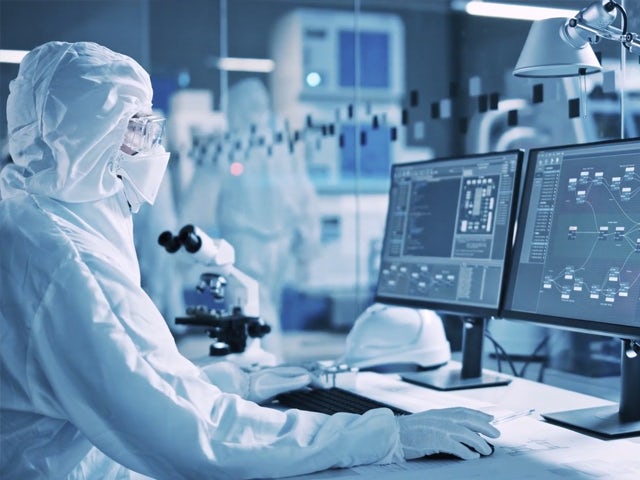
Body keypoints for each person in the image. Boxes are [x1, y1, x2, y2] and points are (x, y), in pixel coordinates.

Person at [0, 41, 499, 479]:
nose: (149, 145)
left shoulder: (30, 216)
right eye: (137, 127)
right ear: (87, 140)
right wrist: (382, 436)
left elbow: (141, 378)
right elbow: (191, 434)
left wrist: (243, 381)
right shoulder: (68, 267)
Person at [213, 77, 321, 361]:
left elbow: (301, 192)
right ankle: (268, 369)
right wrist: (307, 245)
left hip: (248, 242)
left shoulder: (236, 145)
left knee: (252, 309)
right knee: (262, 308)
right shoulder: (280, 143)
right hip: (277, 241)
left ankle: (264, 373)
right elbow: (303, 194)